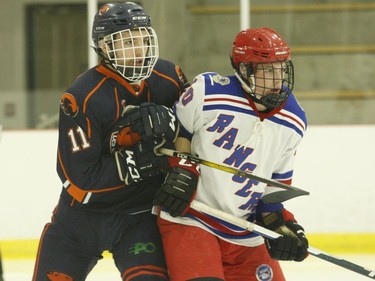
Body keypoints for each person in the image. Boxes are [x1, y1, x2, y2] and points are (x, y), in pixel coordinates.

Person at [32, 2, 189, 281]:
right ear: (104, 46)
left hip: (140, 219)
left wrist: (183, 167)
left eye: (144, 39)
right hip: (80, 221)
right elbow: (78, 178)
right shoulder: (82, 96)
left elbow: (194, 132)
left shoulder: (169, 79)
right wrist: (145, 161)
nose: (140, 49)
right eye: (128, 41)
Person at [153, 27, 309, 281]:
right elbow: (178, 136)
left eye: (281, 68)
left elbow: (272, 194)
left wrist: (283, 226)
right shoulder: (208, 92)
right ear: (245, 69)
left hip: (245, 231)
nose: (278, 78)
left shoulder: (294, 120)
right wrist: (181, 170)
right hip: (192, 218)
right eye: (268, 70)